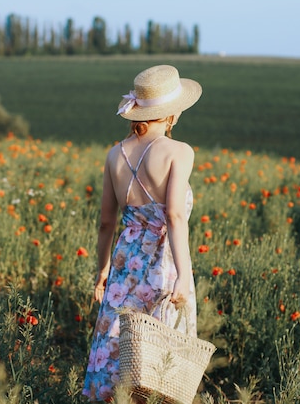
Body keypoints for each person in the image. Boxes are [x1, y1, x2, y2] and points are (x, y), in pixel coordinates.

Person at [82, 65, 202, 402]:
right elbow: (175, 216)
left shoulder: (114, 155)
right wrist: (184, 275)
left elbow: (106, 221)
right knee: (161, 353)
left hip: (124, 259)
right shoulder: (180, 152)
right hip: (163, 261)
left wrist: (102, 269)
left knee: (120, 343)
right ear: (173, 113)